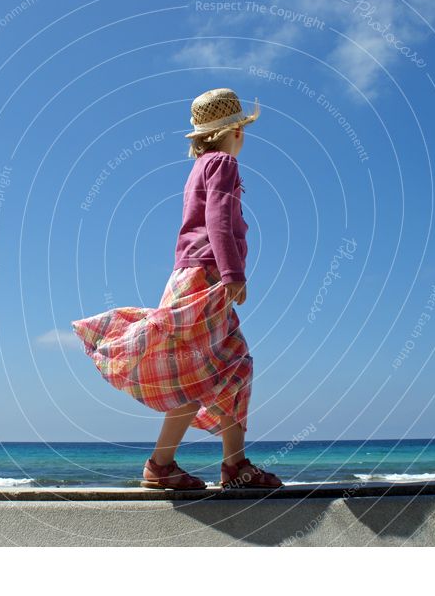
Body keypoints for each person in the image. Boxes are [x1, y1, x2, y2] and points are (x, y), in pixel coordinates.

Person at [71, 88, 282, 491]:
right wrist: (232, 272)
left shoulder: (201, 166)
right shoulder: (222, 163)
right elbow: (218, 219)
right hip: (205, 277)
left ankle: (192, 465)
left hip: (190, 276)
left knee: (214, 368)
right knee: (213, 369)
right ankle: (209, 466)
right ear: (236, 130)